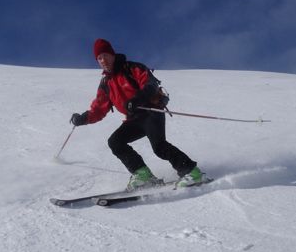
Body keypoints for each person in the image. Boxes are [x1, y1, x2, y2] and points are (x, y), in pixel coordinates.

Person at [70, 38, 204, 191]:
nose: (103, 60)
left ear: (113, 55)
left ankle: (192, 172)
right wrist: (82, 119)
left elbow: (150, 84)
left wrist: (137, 99)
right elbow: (99, 108)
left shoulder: (132, 68)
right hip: (134, 119)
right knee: (115, 142)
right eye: (99, 58)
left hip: (151, 111)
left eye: (105, 55)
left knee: (159, 147)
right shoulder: (106, 83)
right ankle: (142, 174)